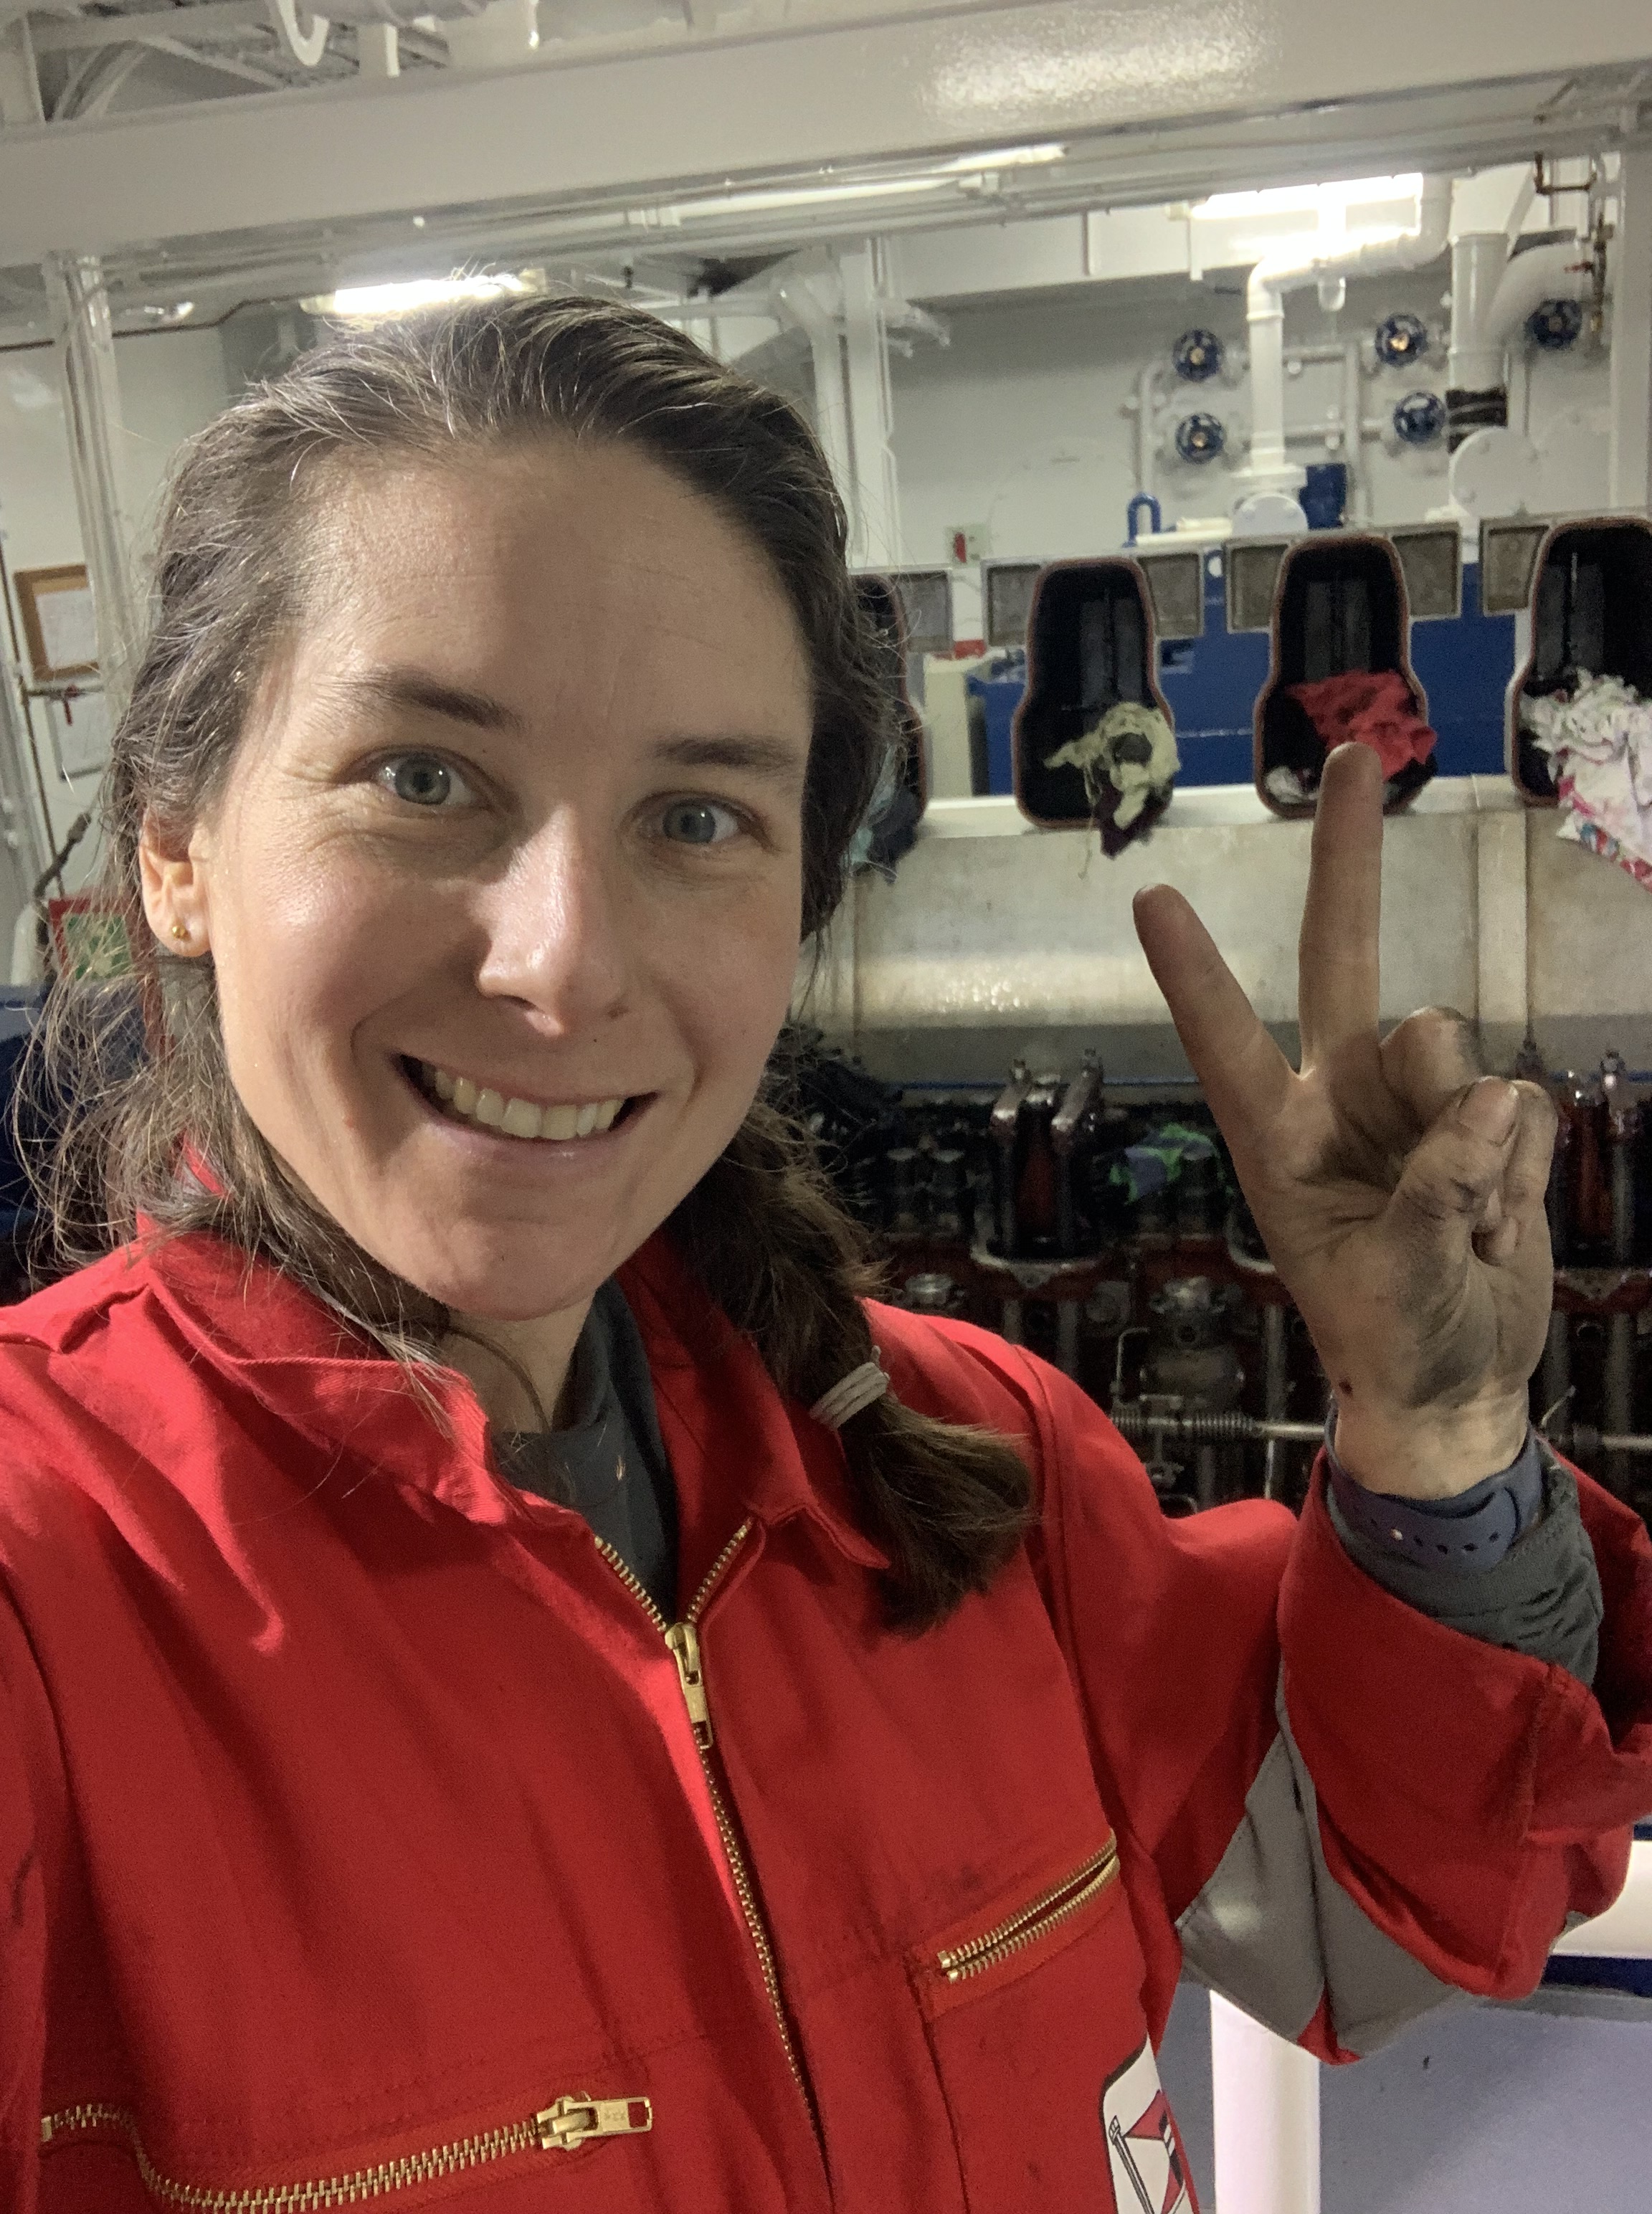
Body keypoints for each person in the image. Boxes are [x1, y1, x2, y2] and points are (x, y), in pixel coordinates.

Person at [0, 297, 1646, 2214]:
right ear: (175, 846)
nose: (566, 963)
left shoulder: (970, 1472)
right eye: (423, 780)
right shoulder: (56, 1605)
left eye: (696, 817)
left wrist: (1437, 1440)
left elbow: (1392, 1921)